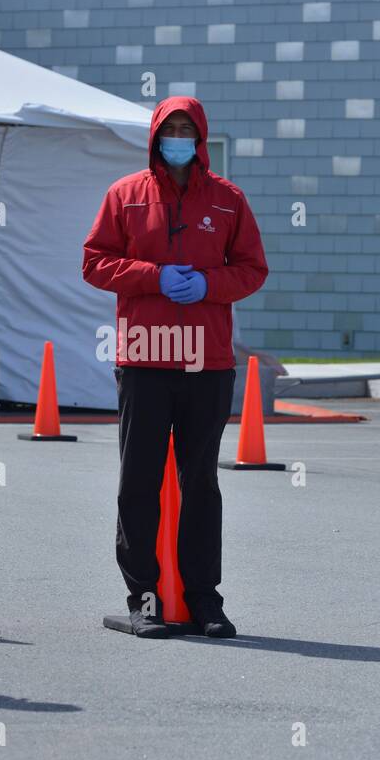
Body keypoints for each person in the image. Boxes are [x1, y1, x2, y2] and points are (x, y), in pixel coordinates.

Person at [82, 96, 268, 638]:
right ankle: (142, 599)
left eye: (188, 129)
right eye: (171, 128)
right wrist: (153, 276)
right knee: (138, 480)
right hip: (143, 355)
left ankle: (204, 598)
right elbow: (94, 262)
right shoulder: (125, 194)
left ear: (202, 137)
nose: (179, 137)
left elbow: (253, 269)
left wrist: (210, 284)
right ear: (156, 136)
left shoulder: (229, 200)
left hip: (206, 360)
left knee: (200, 483)